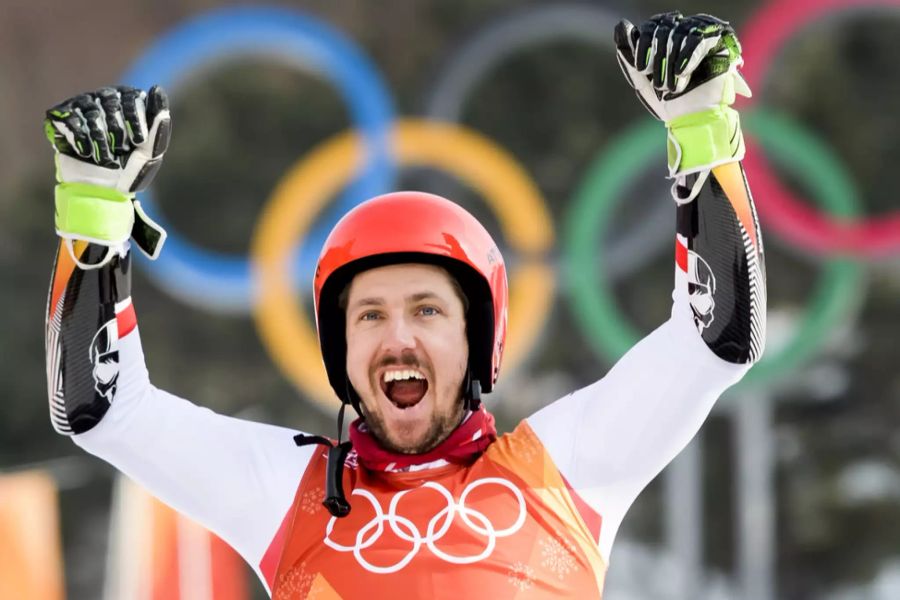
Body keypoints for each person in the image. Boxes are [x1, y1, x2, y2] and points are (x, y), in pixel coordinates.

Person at [43, 12, 766, 599]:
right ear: (339, 350)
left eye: (426, 311)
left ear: (478, 339)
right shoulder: (285, 495)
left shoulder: (564, 466)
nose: (397, 339)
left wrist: (703, 132)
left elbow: (717, 337)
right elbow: (100, 408)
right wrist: (93, 220)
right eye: (369, 316)